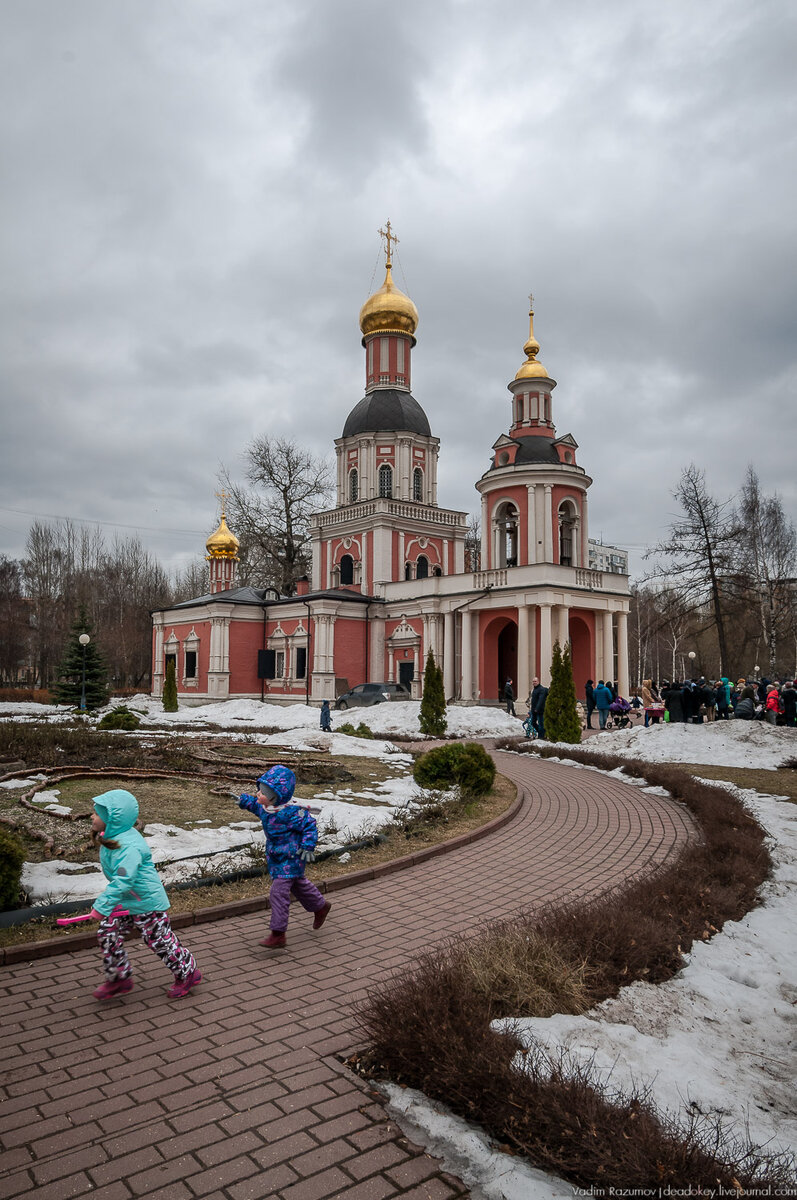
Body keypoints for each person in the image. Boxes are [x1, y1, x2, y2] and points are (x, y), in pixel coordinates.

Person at [88, 789, 201, 1001]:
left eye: (97, 813)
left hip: (147, 902)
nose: (92, 817)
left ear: (112, 818)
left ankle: (188, 973)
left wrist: (101, 906)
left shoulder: (128, 846)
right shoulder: (112, 836)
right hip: (127, 900)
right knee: (108, 932)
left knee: (158, 940)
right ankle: (119, 977)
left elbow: (123, 879)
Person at [237, 765, 330, 949]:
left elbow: (309, 826)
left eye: (263, 792)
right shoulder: (267, 808)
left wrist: (308, 846)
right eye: (259, 790)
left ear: (278, 795)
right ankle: (320, 907)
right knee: (298, 884)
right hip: (276, 856)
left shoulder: (292, 812)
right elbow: (255, 806)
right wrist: (243, 800)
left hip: (293, 856)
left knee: (278, 892)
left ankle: (278, 934)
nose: (258, 795)